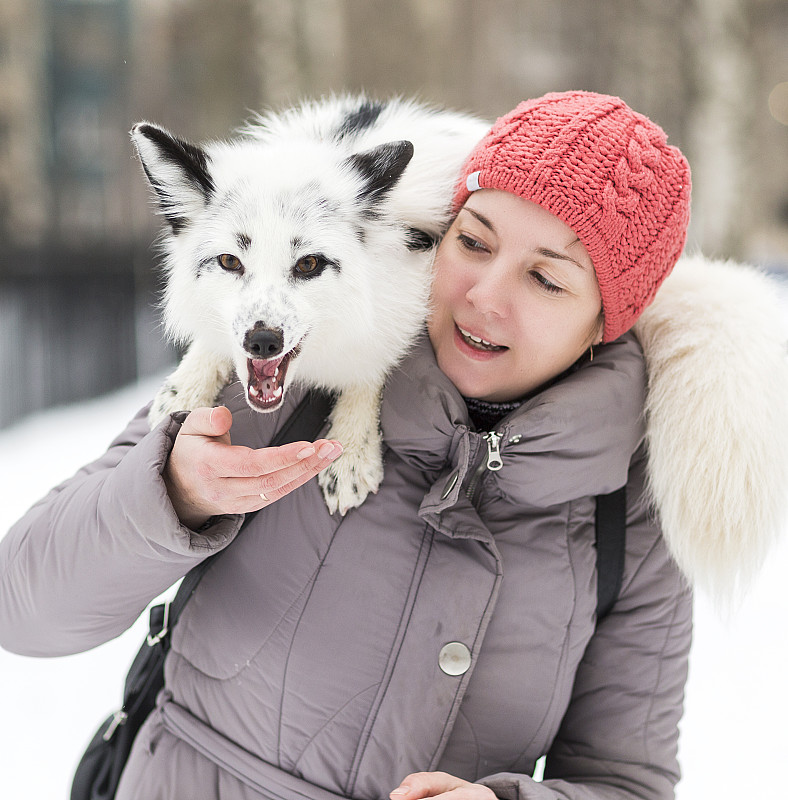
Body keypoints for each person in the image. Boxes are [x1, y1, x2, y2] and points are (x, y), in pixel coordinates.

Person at [0, 90, 759, 800]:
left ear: (609, 319)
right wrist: (170, 494)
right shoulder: (287, 369)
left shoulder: (628, 513)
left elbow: (624, 780)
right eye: (473, 241)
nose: (486, 296)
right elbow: (23, 608)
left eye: (546, 279)